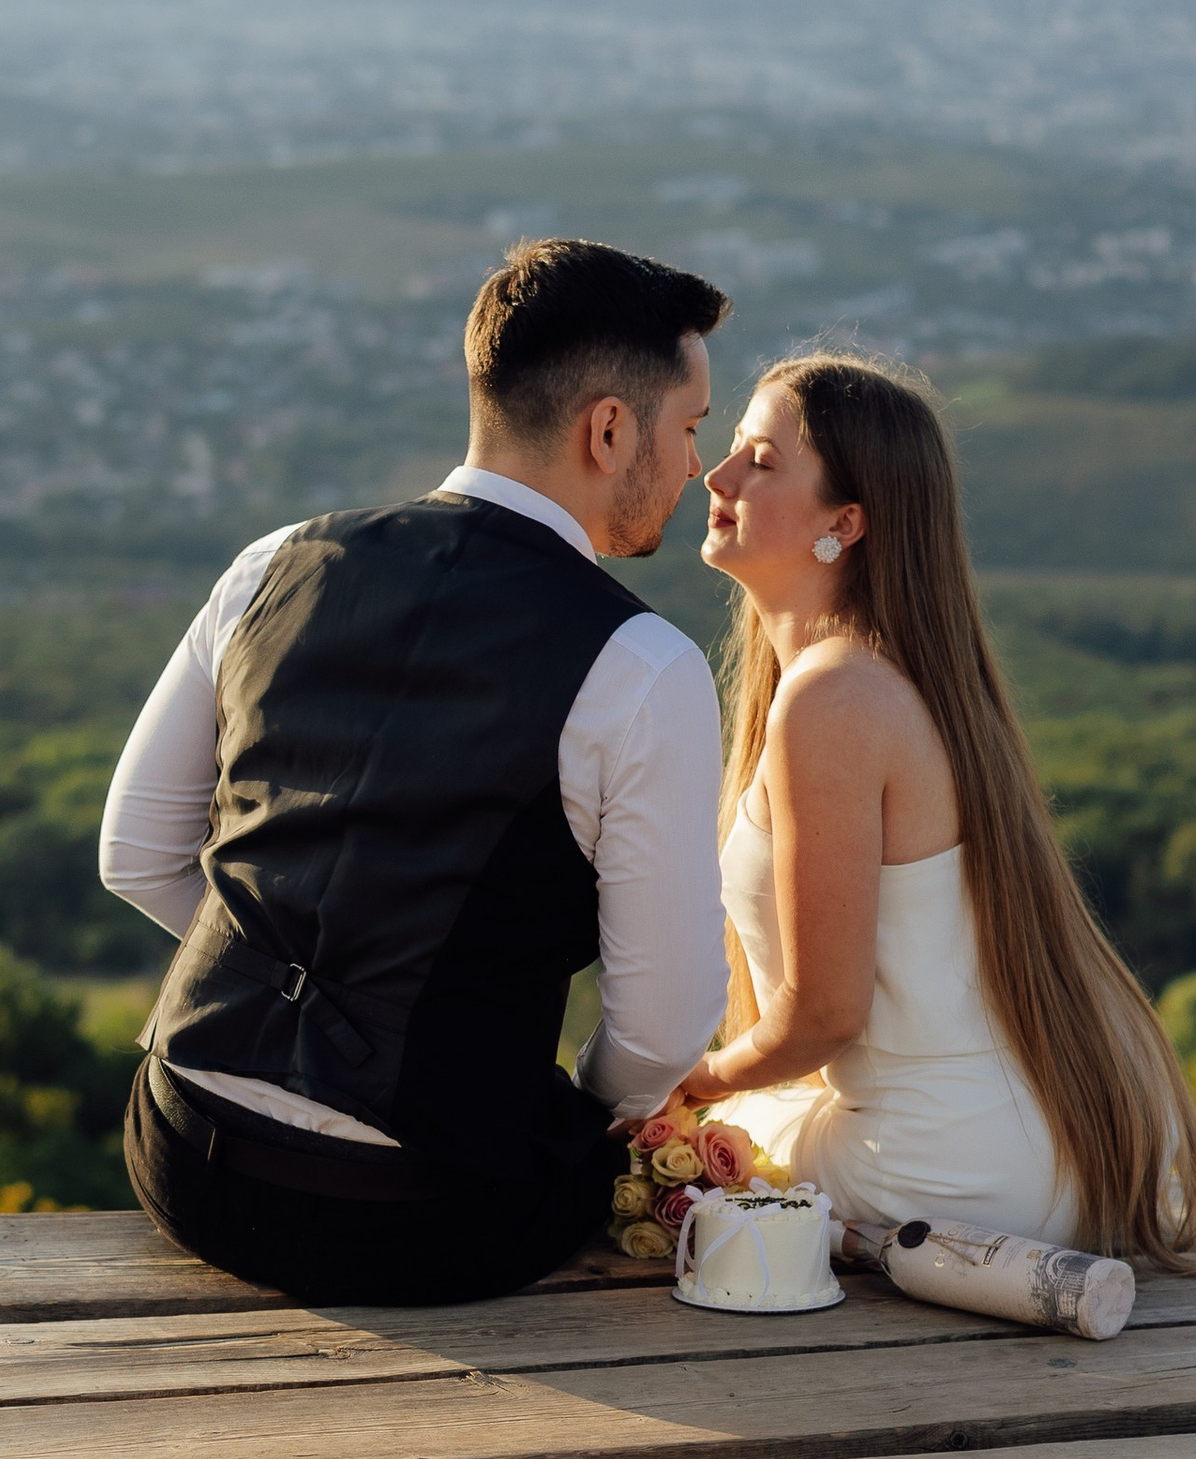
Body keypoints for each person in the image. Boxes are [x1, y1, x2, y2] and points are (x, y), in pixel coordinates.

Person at [102, 237, 733, 1305]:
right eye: (688, 430)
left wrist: (303, 990)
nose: (694, 469)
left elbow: (135, 856)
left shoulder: (276, 560)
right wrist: (511, 1088)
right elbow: (663, 1024)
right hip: (418, 1214)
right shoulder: (641, 666)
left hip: (181, 1147)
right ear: (610, 427)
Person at [677, 350, 1196, 1266]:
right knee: (734, 1126)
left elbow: (821, 1019)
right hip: (1032, 1147)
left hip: (939, 1165)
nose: (718, 476)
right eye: (729, 449)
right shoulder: (901, 681)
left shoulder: (832, 700)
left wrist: (688, 1087)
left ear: (845, 523)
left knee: (658, 1153)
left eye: (761, 462)